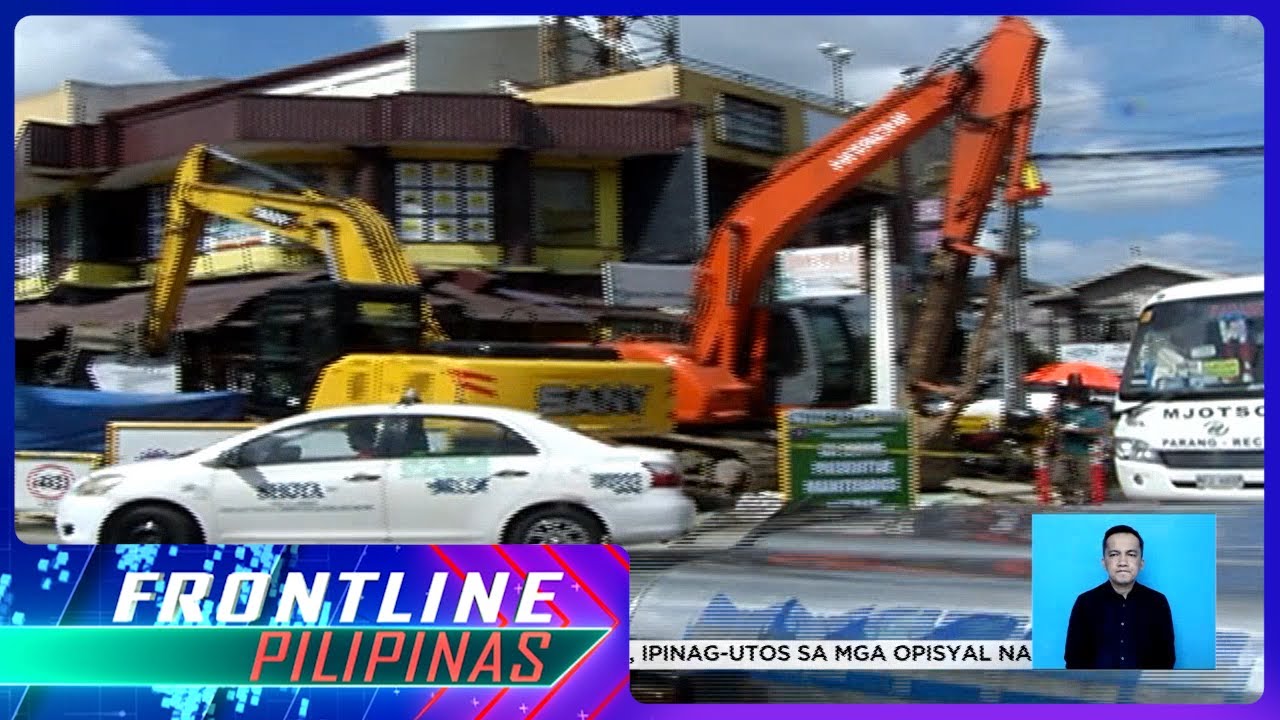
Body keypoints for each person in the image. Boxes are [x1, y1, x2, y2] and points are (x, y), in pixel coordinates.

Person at [1063, 524, 1176, 670]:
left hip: (1145, 691)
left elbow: (1166, 659)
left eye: (1131, 554)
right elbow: (1074, 660)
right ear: (1104, 562)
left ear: (1141, 563)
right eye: (1114, 554)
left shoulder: (1158, 603)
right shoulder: (1085, 603)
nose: (1123, 562)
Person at [1048, 373, 1109, 504]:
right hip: (1064, 451)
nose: (1071, 400)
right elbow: (1048, 419)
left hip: (1083, 451)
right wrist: (1055, 406)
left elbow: (1097, 429)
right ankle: (1068, 498)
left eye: (1074, 396)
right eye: (1069, 396)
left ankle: (1085, 502)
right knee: (1058, 478)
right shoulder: (1063, 411)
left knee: (1085, 481)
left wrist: (1076, 430)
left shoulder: (1092, 412)